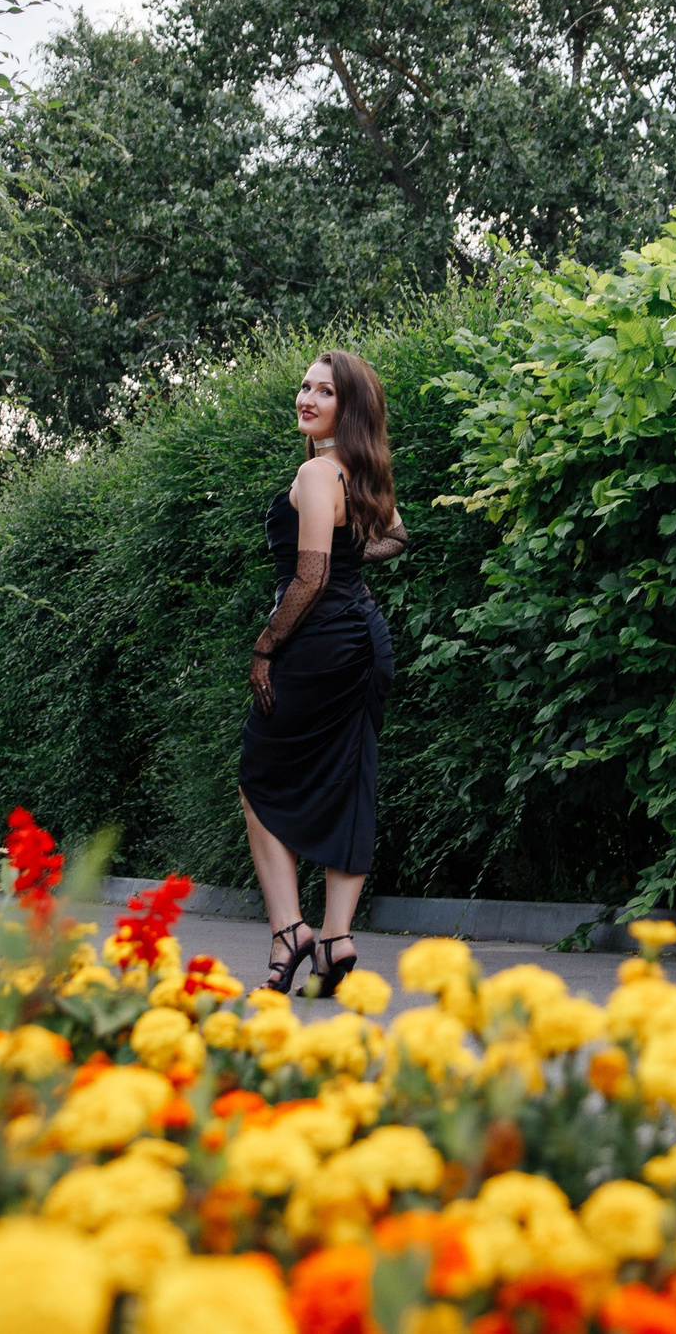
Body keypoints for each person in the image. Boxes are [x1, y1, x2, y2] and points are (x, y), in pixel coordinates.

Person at [239, 350, 408, 994]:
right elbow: (396, 537)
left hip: (318, 643)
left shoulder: (316, 476)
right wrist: (351, 557)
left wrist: (263, 648)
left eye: (324, 392)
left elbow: (309, 577)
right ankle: (335, 940)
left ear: (349, 406)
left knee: (258, 776)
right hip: (362, 638)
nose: (306, 398)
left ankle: (291, 932)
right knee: (351, 776)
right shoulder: (355, 470)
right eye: (304, 387)